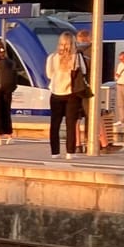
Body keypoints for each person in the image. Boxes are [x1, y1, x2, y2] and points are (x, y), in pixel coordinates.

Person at [46, 32, 85, 160]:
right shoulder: (77, 57)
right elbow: (83, 72)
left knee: (55, 124)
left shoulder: (52, 58)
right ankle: (70, 152)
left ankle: (55, 152)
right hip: (71, 94)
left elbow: (49, 75)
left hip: (56, 94)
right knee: (70, 124)